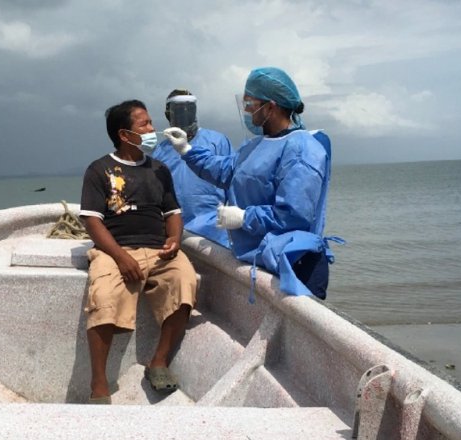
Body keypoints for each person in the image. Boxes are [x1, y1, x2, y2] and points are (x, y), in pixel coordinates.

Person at [163, 67, 338, 300]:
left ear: (271, 106)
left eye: (250, 104)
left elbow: (294, 215)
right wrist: (187, 150)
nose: (247, 111)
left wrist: (244, 217)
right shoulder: (254, 146)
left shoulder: (302, 149)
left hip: (294, 262)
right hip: (261, 257)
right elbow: (225, 171)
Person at [79, 100, 198, 404]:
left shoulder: (160, 169)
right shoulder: (98, 170)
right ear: (124, 134)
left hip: (159, 249)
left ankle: (158, 362)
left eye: (150, 123)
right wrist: (120, 256)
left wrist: (175, 238)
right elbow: (92, 221)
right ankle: (99, 385)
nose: (152, 129)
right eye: (144, 124)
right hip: (114, 250)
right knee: (103, 296)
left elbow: (172, 212)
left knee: (185, 280)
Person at [151, 89, 236, 249]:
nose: (185, 115)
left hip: (214, 231)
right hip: (175, 232)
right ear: (168, 114)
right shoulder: (160, 151)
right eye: (179, 111)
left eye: (189, 109)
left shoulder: (217, 141)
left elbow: (234, 180)